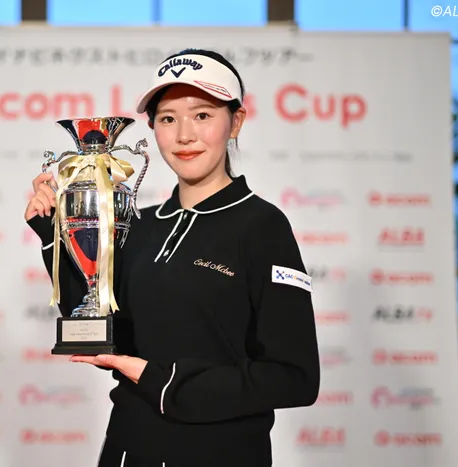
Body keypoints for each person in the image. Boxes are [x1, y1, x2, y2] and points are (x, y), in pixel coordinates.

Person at [24, 48, 320, 467]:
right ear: (152, 129)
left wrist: (165, 383)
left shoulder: (262, 226)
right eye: (167, 119)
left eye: (202, 115)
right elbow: (98, 329)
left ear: (236, 121)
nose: (184, 135)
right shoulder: (137, 224)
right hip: (127, 449)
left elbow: (294, 378)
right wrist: (55, 232)